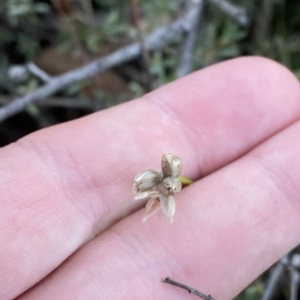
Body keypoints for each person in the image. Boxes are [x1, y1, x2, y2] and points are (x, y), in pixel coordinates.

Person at [1, 57, 300, 300]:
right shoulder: (162, 179)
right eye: (168, 185)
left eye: (170, 185)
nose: (169, 187)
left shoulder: (169, 180)